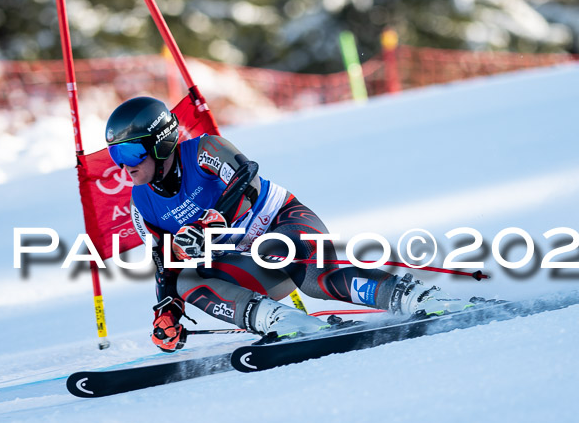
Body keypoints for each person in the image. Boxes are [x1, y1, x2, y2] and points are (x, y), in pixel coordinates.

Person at [106, 96, 460, 352]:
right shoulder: (141, 204)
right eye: (114, 155)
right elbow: (165, 261)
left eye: (130, 153)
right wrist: (167, 310)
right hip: (250, 262)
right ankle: (283, 322)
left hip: (285, 223)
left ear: (161, 143)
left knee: (315, 279)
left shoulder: (203, 149)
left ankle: (419, 296)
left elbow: (246, 178)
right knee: (185, 279)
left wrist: (217, 220)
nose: (124, 166)